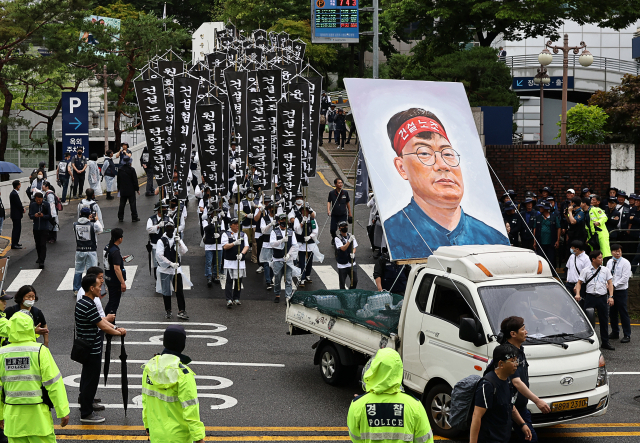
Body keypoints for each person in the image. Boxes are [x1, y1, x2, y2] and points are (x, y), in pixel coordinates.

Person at [383, 109, 509, 260]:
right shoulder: (393, 234)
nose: (443, 165)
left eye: (448, 154)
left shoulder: (494, 240)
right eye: (424, 153)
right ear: (402, 167)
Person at [0, 311, 70, 441]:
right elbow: (54, 382)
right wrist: (63, 411)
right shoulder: (39, 350)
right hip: (38, 419)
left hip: (13, 421)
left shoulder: (2, 353)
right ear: (30, 327)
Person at [347, 348, 433, 443]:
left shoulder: (357, 406)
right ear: (398, 370)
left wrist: (364, 401)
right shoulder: (415, 406)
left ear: (374, 368)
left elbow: (356, 438)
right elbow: (426, 440)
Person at [76, 274, 127, 423]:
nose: (101, 288)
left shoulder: (85, 302)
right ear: (91, 288)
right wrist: (119, 332)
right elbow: (102, 325)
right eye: (99, 286)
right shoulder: (88, 304)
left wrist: (116, 327)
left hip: (88, 349)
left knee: (87, 380)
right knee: (90, 382)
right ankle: (86, 413)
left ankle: (87, 406)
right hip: (91, 350)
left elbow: (100, 321)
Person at [141, 325, 205, 443]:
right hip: (179, 437)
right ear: (182, 345)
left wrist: (147, 425)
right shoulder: (183, 374)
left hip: (156, 435)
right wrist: (199, 437)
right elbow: (190, 409)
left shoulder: (150, 368)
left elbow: (145, 400)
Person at [501, 317, 550, 443]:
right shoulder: (509, 353)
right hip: (508, 409)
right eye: (523, 329)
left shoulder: (519, 350)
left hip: (520, 407)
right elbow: (516, 382)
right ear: (513, 334)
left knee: (529, 438)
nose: (526, 332)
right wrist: (538, 401)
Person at [470, 344, 531, 443]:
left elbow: (510, 406)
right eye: (512, 361)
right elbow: (477, 416)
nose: (516, 364)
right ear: (501, 364)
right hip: (489, 439)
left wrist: (522, 424)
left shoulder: (507, 380)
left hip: (503, 437)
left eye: (516, 360)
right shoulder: (487, 385)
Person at [575, 250, 615, 350]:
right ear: (593, 259)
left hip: (602, 297)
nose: (602, 260)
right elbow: (579, 283)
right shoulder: (586, 270)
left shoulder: (605, 270)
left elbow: (610, 283)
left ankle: (605, 342)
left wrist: (611, 296)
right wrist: (578, 294)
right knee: (588, 320)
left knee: (604, 320)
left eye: (601, 258)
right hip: (590, 297)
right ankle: (589, 341)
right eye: (600, 258)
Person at [156, 220, 191, 320]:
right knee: (166, 291)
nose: (170, 231)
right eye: (168, 229)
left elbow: (184, 251)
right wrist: (170, 263)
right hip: (165, 270)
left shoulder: (177, 239)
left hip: (177, 270)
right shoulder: (161, 241)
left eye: (172, 229)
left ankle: (182, 310)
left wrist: (179, 242)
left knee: (179, 290)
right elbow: (159, 255)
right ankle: (168, 310)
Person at [73, 207, 104, 295]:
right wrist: (96, 220)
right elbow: (100, 230)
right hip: (91, 250)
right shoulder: (92, 224)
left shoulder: (75, 224)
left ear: (80, 214)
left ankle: (76, 289)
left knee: (78, 270)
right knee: (92, 270)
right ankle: (91, 287)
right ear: (90, 215)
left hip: (79, 250)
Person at [270, 213, 299, 303]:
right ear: (279, 222)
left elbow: (294, 245)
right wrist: (281, 241)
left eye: (285, 221)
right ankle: (277, 294)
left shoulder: (291, 232)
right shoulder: (274, 231)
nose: (283, 222)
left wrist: (289, 255)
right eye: (282, 221)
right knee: (277, 278)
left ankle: (288, 296)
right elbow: (272, 244)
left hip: (288, 259)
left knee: (289, 279)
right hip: (278, 259)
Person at [221, 218, 249, 308]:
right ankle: (229, 299)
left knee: (238, 281)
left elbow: (246, 246)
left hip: (239, 261)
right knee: (229, 280)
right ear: (231, 225)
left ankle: (236, 297)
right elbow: (225, 246)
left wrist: (242, 254)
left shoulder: (243, 234)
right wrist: (234, 243)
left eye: (238, 224)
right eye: (235, 224)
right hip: (229, 261)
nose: (237, 225)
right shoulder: (226, 234)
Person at [606, 244, 631, 343]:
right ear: (611, 252)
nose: (617, 253)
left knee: (623, 312)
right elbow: (606, 274)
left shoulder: (625, 263)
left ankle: (627, 334)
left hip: (621, 290)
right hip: (611, 290)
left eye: (619, 251)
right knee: (612, 312)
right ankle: (615, 332)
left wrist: (613, 285)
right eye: (615, 251)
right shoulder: (609, 262)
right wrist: (607, 284)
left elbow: (625, 278)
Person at [295, 203, 321, 287]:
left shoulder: (313, 220)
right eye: (303, 210)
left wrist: (309, 237)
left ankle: (307, 275)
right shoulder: (297, 219)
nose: (305, 212)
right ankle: (302, 278)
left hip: (310, 243)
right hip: (301, 243)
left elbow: (315, 231)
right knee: (302, 261)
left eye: (306, 210)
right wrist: (302, 223)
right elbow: (297, 230)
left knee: (309, 260)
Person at [103, 228, 127, 315]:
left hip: (108, 278)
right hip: (115, 281)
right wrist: (122, 283)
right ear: (120, 238)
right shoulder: (115, 251)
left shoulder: (107, 247)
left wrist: (120, 259)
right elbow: (117, 269)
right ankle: (111, 324)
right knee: (114, 304)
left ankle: (106, 320)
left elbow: (110, 261)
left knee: (111, 301)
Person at [147, 201, 171, 280]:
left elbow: (173, 229)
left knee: (166, 261)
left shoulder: (168, 218)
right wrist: (158, 226)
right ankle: (157, 280)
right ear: (159, 209)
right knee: (156, 263)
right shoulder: (151, 219)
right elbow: (149, 229)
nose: (165, 209)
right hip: (155, 245)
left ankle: (166, 278)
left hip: (166, 245)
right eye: (163, 208)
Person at [533, 201, 560, 269]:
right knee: (540, 258)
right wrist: (534, 241)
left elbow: (558, 228)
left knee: (551, 258)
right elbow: (535, 229)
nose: (540, 208)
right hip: (540, 242)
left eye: (542, 207)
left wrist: (558, 240)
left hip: (551, 242)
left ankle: (552, 272)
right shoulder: (538, 217)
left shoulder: (554, 217)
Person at [203, 209, 226, 287]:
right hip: (209, 245)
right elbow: (205, 229)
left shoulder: (220, 221)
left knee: (218, 262)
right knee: (209, 262)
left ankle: (216, 275)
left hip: (218, 244)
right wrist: (212, 223)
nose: (215, 214)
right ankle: (209, 277)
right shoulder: (206, 220)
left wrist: (219, 234)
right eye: (214, 212)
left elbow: (223, 230)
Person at [29, 190, 51, 269]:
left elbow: (49, 216)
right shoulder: (33, 205)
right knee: (37, 244)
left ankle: (42, 261)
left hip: (44, 228)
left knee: (43, 244)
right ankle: (39, 257)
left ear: (42, 199)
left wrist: (43, 216)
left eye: (40, 200)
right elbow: (30, 215)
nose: (38, 201)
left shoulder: (46, 205)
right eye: (37, 200)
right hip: (36, 228)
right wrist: (34, 215)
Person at [259, 197, 277, 290]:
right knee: (266, 263)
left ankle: (270, 277)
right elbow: (263, 231)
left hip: (276, 243)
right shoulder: (264, 218)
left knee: (273, 262)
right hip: (266, 242)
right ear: (269, 209)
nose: (273, 210)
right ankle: (268, 281)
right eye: (272, 208)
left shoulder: (278, 218)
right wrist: (270, 224)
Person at [335, 220, 358, 289]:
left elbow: (354, 247)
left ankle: (351, 292)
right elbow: (343, 248)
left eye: (346, 226)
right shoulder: (337, 238)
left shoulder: (350, 236)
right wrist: (349, 241)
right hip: (342, 264)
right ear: (339, 228)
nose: (345, 227)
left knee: (355, 281)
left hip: (351, 263)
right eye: (343, 226)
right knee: (342, 283)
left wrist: (353, 253)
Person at [327, 178, 351, 242]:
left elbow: (347, 202)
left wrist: (350, 213)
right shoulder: (331, 193)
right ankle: (334, 238)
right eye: (339, 183)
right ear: (335, 184)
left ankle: (342, 240)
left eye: (341, 183)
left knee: (343, 229)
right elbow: (329, 202)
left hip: (343, 215)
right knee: (332, 229)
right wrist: (328, 210)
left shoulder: (345, 193)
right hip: (334, 215)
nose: (340, 184)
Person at [117, 155, 140, 222]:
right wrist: (137, 189)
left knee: (122, 204)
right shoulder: (132, 170)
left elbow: (118, 180)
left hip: (123, 189)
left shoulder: (120, 170)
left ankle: (120, 217)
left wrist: (118, 188)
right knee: (132, 204)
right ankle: (134, 217)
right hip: (131, 189)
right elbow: (135, 180)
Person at [9, 180, 24, 249]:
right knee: (16, 229)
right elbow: (18, 204)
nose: (20, 186)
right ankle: (14, 244)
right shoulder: (14, 194)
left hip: (16, 214)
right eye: (20, 184)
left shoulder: (14, 193)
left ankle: (16, 242)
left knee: (17, 229)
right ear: (17, 186)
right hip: (16, 215)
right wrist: (22, 209)